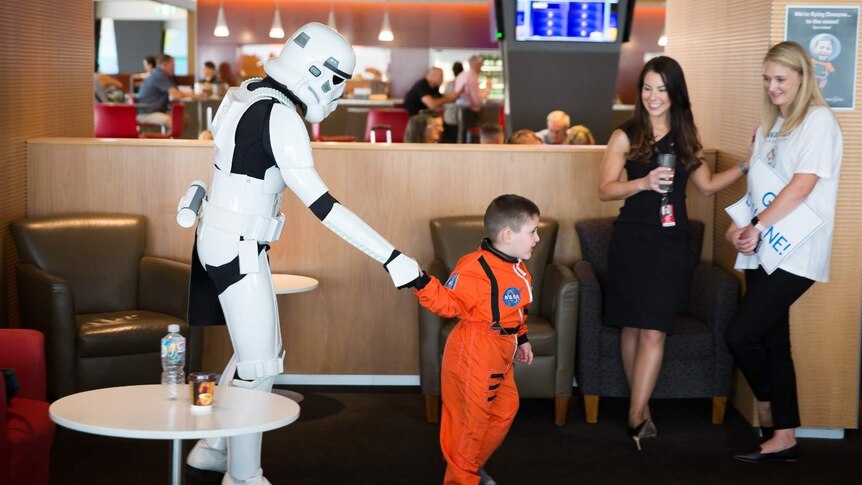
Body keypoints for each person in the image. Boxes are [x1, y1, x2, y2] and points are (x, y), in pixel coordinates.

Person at [182, 23, 422, 485]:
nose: (336, 94)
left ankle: (212, 447)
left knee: (258, 351)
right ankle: (242, 475)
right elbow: (324, 207)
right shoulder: (280, 117)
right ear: (313, 71)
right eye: (335, 81)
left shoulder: (246, 93)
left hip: (222, 237)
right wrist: (391, 256)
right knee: (261, 365)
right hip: (236, 243)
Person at [598, 56, 747, 449]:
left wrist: (748, 164)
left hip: (670, 244)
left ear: (675, 93)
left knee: (653, 329)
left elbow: (709, 185)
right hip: (632, 240)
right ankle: (640, 409)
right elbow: (605, 188)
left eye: (661, 89)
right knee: (631, 326)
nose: (653, 97)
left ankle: (634, 412)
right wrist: (644, 183)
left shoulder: (684, 137)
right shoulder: (626, 135)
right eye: (647, 88)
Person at [725, 41, 843, 463]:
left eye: (780, 79)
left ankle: (773, 408)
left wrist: (756, 227)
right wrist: (738, 227)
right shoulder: (771, 126)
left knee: (740, 333)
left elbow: (802, 185)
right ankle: (785, 435)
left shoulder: (818, 122)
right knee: (775, 343)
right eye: (767, 79)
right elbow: (760, 189)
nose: (772, 87)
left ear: (801, 78)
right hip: (762, 249)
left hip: (797, 251)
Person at [412, 194, 537, 485]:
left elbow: (516, 308)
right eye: (532, 231)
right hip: (474, 349)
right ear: (507, 235)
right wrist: (421, 282)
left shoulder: (517, 265)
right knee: (472, 423)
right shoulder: (474, 268)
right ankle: (462, 476)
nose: (537, 238)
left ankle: (466, 464)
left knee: (505, 410)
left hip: (502, 350)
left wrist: (522, 338)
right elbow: (447, 303)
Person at [136, 53, 202, 129]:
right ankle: (170, 140)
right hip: (146, 113)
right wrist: (195, 95)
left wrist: (195, 95)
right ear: (164, 65)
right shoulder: (159, 75)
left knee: (184, 118)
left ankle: (173, 139)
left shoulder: (161, 74)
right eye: (172, 65)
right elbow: (176, 94)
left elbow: (177, 92)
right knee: (173, 121)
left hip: (154, 110)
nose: (174, 68)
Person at [454, 55, 491, 141]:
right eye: (481, 65)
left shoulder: (462, 75)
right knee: (471, 135)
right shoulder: (472, 77)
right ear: (476, 65)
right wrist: (488, 87)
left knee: (463, 134)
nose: (481, 68)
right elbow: (477, 99)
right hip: (470, 111)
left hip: (462, 110)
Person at [442, 62, 465, 143]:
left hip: (449, 115)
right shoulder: (463, 84)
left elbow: (445, 99)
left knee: (450, 138)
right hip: (457, 115)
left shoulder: (450, 84)